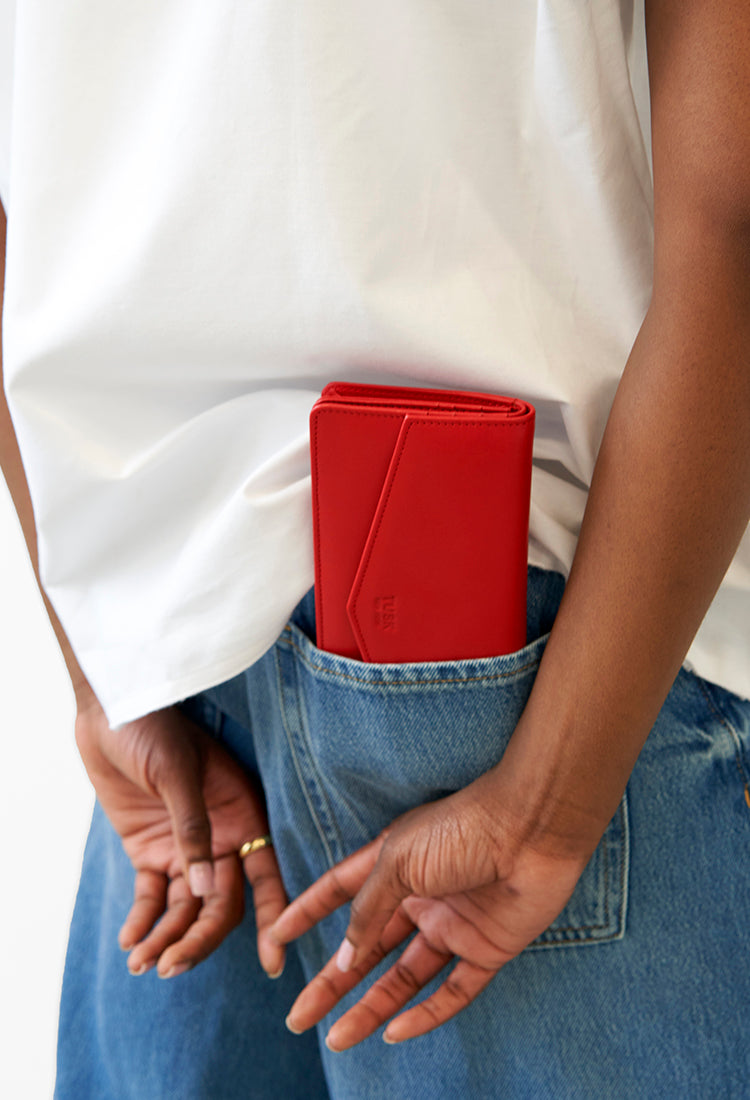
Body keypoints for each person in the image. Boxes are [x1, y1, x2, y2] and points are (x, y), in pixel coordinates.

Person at [1, 0, 749, 1096]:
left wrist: (98, 666)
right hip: (562, 665)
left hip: (177, 686)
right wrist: (555, 799)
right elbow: (731, 209)